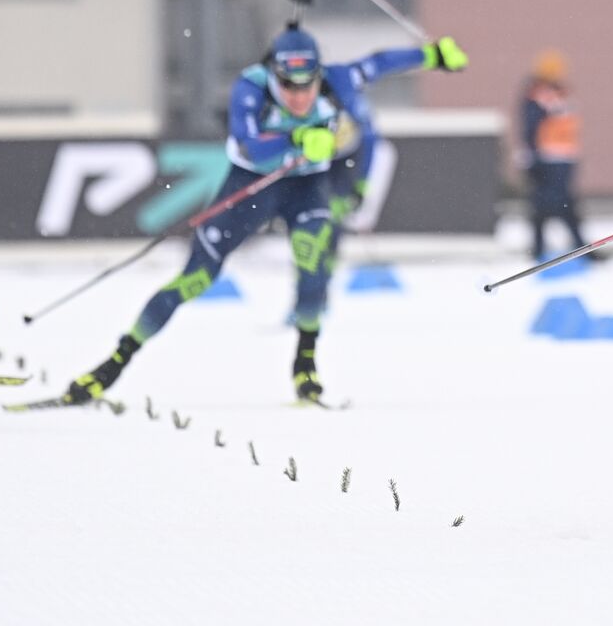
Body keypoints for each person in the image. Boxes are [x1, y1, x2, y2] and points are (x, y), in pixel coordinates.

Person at [62, 27, 468, 405]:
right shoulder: (251, 87)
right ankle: (115, 361)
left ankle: (305, 363)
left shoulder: (337, 80)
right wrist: (296, 136)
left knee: (313, 259)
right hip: (250, 185)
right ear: (275, 74)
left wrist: (432, 55)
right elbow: (250, 144)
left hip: (305, 187)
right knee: (196, 279)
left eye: (306, 85)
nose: (298, 96)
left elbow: (380, 63)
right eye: (288, 86)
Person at [521, 50, 587, 261]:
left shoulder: (558, 95)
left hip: (563, 158)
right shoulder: (540, 96)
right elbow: (530, 129)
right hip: (548, 159)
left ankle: (573, 246)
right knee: (552, 204)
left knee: (560, 203)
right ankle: (548, 248)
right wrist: (531, 155)